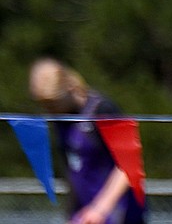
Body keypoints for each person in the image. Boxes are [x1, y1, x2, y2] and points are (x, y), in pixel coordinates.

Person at [29, 58, 148, 224]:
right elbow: (73, 172)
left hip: (119, 212)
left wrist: (100, 209)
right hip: (85, 213)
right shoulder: (61, 120)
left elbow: (129, 164)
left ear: (68, 88)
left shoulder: (103, 109)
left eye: (53, 104)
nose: (49, 111)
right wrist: (72, 213)